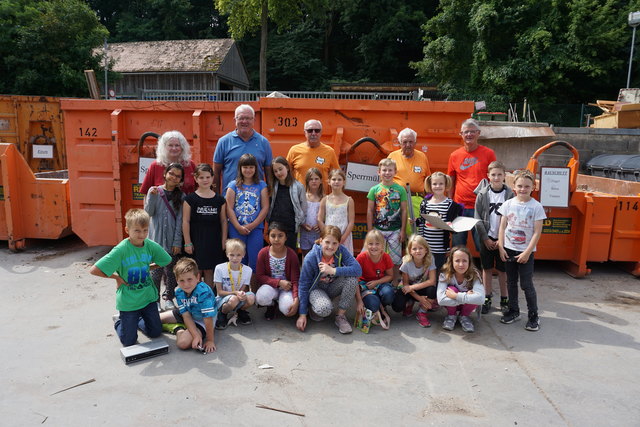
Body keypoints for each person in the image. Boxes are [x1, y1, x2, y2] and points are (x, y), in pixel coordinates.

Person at [89, 209, 172, 347]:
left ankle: (136, 321)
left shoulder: (150, 245)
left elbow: (166, 260)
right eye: (137, 231)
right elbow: (94, 270)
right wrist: (117, 278)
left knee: (156, 332)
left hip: (148, 298)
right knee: (129, 341)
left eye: (145, 230)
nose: (142, 234)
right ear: (127, 230)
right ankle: (119, 321)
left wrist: (147, 267)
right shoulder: (121, 250)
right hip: (129, 302)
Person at [498, 169, 546, 332]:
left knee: (526, 284)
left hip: (526, 252)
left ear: (533, 187)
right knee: (511, 282)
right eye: (520, 186)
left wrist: (527, 252)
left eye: (527, 186)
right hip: (509, 249)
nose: (523, 189)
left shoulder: (536, 207)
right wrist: (501, 246)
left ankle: (533, 316)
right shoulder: (508, 204)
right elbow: (502, 226)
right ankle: (513, 311)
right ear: (514, 186)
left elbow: (537, 232)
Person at [296, 225, 362, 334]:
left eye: (334, 243)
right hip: (317, 289)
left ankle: (340, 316)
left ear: (339, 244)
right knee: (324, 310)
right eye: (327, 242)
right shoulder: (311, 257)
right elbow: (303, 285)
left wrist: (333, 271)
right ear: (321, 241)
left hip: (333, 286)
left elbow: (358, 270)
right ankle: (314, 308)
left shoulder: (341, 251)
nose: (330, 247)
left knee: (352, 280)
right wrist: (302, 314)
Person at [448, 118, 496, 248]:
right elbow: (451, 180)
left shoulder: (489, 154)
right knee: (458, 245)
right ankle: (457, 268)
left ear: (478, 133)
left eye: (472, 132)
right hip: (460, 206)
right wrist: (449, 203)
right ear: (461, 135)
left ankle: (485, 269)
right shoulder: (454, 155)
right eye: (466, 132)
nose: (469, 135)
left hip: (480, 207)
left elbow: (495, 178)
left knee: (482, 245)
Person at [474, 161, 514, 314]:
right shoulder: (483, 194)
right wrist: (485, 238)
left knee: (503, 270)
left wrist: (501, 240)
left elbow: (513, 218)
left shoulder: (509, 194)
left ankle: (505, 298)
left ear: (504, 176)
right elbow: (477, 217)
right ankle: (486, 296)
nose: (496, 178)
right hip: (487, 238)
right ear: (488, 176)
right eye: (493, 175)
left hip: (503, 240)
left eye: (499, 175)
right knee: (487, 268)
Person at [144, 162, 184, 310]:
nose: (174, 177)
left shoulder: (181, 196)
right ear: (165, 173)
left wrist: (177, 242)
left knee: (171, 272)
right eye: (171, 173)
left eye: (178, 176)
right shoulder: (154, 191)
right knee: (155, 273)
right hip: (156, 241)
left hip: (172, 241)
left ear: (181, 180)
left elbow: (180, 221)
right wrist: (152, 198)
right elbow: (148, 213)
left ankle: (169, 297)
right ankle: (155, 300)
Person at [183, 164, 228, 287]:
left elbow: (224, 221)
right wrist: (187, 242)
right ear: (196, 179)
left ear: (213, 178)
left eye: (208, 177)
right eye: (201, 177)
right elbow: (185, 221)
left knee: (210, 270)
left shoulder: (220, 200)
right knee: (195, 270)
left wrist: (224, 240)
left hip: (214, 240)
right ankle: (194, 296)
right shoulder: (190, 199)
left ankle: (208, 296)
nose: (205, 180)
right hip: (196, 240)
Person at [160, 257, 216, 353]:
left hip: (201, 320)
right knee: (153, 320)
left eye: (189, 279)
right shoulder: (179, 292)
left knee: (183, 343)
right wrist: (195, 335)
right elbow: (186, 315)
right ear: (177, 280)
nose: (186, 284)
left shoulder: (204, 292)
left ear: (197, 277)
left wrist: (210, 340)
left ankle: (177, 329)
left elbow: (208, 318)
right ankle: (182, 326)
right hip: (189, 313)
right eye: (181, 280)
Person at [225, 153, 269, 274]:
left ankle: (254, 291)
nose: (248, 170)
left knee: (255, 261)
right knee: (238, 261)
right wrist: (238, 226)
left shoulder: (261, 185)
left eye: (251, 167)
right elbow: (229, 208)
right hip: (236, 228)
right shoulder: (233, 185)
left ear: (256, 168)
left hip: (255, 229)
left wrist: (253, 225)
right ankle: (240, 291)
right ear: (240, 168)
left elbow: (265, 207)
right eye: (245, 167)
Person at [366, 158, 407, 285]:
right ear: (379, 172)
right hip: (379, 230)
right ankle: (378, 280)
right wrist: (369, 231)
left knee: (395, 259)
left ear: (395, 172)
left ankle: (394, 281)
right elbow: (369, 210)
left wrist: (403, 230)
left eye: (390, 170)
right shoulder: (374, 189)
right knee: (377, 255)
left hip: (395, 229)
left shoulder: (400, 190)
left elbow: (404, 210)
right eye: (384, 170)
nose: (387, 173)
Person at [213, 104, 273, 191]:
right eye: (241, 118)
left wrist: (270, 196)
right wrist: (216, 199)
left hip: (256, 200)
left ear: (254, 120)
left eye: (248, 118)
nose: (244, 121)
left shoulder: (264, 143)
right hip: (230, 201)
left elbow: (269, 173)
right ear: (235, 120)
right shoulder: (224, 142)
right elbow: (216, 172)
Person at [387, 127, 431, 236]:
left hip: (417, 201)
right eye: (405, 142)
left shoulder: (422, 156)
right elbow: (385, 179)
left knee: (414, 234)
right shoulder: (392, 157)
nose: (408, 145)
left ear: (415, 142)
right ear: (399, 142)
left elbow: (428, 180)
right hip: (396, 201)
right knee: (396, 234)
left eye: (411, 142)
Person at [255, 222, 301, 320]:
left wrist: (296, 298)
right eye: (273, 236)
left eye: (280, 236)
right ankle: (272, 305)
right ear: (268, 237)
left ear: (286, 237)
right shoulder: (263, 253)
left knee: (287, 309)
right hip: (271, 286)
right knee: (261, 297)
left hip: (287, 288)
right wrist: (278, 282)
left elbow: (295, 279)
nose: (276, 239)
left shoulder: (292, 254)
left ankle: (281, 302)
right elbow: (260, 276)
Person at [392, 234, 437, 327]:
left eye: (420, 248)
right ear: (410, 251)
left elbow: (432, 281)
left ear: (426, 250)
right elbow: (405, 286)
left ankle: (422, 312)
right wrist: (420, 299)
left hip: (419, 287)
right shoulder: (406, 262)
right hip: (408, 290)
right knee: (397, 306)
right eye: (414, 249)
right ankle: (410, 303)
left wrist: (412, 287)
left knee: (432, 290)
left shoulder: (430, 259)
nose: (418, 251)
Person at [416, 172, 459, 270]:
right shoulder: (425, 203)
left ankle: (437, 285)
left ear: (446, 185)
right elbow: (422, 222)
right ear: (430, 186)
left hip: (441, 247)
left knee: (439, 271)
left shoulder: (450, 204)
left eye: (441, 184)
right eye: (434, 184)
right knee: (426, 270)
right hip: (426, 246)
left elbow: (453, 226)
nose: (438, 186)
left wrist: (450, 225)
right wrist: (416, 223)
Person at [436, 246, 485, 333]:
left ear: (469, 262)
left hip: (463, 304)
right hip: (453, 304)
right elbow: (441, 300)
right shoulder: (445, 274)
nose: (461, 264)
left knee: (473, 293)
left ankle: (464, 316)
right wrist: (466, 298)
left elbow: (481, 299)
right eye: (457, 261)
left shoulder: (475, 274)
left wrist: (456, 296)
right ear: (451, 261)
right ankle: (451, 316)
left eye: (464, 261)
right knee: (452, 289)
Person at [354, 230, 394, 326]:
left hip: (380, 283)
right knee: (373, 304)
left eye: (377, 244)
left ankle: (382, 307)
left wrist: (377, 282)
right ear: (366, 245)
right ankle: (376, 306)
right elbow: (354, 280)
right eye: (370, 244)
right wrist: (359, 301)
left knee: (389, 294)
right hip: (365, 285)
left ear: (382, 245)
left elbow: (390, 276)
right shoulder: (361, 258)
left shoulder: (386, 257)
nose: (374, 247)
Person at [267, 156, 307, 250]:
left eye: (280, 169)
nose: (279, 173)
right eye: (275, 171)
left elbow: (303, 206)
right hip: (275, 225)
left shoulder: (298, 187)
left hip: (290, 227)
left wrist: (301, 221)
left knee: (290, 252)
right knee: (275, 253)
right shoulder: (272, 186)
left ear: (287, 168)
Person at [214, 239, 256, 329]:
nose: (235, 258)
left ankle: (240, 311)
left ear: (243, 254)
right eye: (232, 255)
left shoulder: (248, 270)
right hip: (223, 299)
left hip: (237, 297)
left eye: (238, 255)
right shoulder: (219, 268)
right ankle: (222, 313)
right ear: (226, 254)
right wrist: (236, 293)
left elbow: (242, 289)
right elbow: (220, 292)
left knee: (251, 296)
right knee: (233, 299)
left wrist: (242, 295)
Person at [286, 119, 340, 188]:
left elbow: (336, 176)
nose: (313, 133)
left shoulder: (329, 151)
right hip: (299, 197)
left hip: (321, 197)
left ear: (321, 132)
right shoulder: (294, 150)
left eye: (317, 130)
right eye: (310, 130)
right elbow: (286, 174)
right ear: (304, 132)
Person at [140, 130, 196, 195]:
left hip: (187, 204)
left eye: (177, 145)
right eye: (170, 145)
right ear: (164, 147)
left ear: (182, 147)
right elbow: (146, 193)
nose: (174, 148)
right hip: (162, 205)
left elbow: (200, 189)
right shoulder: (155, 165)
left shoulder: (190, 165)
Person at [318, 169, 355, 253]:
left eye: (339, 179)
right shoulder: (324, 199)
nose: (336, 182)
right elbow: (319, 219)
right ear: (329, 182)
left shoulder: (349, 200)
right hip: (328, 238)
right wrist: (327, 235)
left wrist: (343, 237)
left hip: (344, 236)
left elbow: (351, 221)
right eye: (334, 179)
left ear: (344, 182)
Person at [300, 168, 323, 258]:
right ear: (307, 181)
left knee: (318, 256)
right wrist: (303, 224)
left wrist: (321, 224)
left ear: (321, 181)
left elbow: (326, 215)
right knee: (306, 257)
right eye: (311, 179)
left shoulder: (324, 198)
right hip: (305, 232)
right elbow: (298, 213)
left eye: (316, 179)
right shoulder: (303, 197)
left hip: (318, 233)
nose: (314, 181)